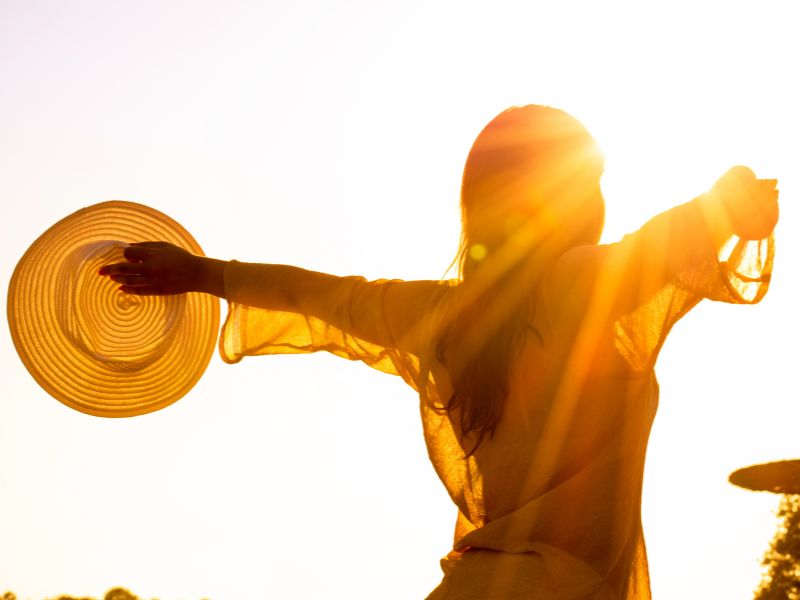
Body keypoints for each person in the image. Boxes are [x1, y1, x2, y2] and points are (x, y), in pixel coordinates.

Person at [99, 105, 778, 599]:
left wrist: (206, 273)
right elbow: (669, 239)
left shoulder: (439, 315)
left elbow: (322, 297)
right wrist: (731, 202)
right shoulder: (584, 284)